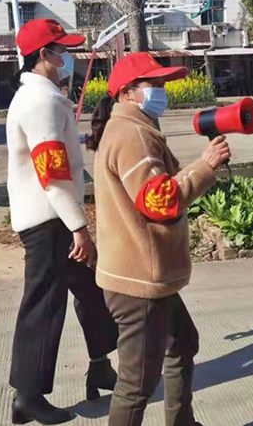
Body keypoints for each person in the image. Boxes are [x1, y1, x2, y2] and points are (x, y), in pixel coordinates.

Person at [86, 52, 230, 426]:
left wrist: (198, 168)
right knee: (136, 386)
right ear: (127, 92)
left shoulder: (131, 128)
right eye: (156, 84)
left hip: (138, 273)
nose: (163, 91)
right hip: (139, 281)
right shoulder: (133, 135)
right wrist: (205, 166)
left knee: (182, 343)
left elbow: (157, 188)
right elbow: (159, 202)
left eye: (164, 83)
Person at [6, 18, 119, 425]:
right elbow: (51, 175)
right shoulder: (43, 102)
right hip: (50, 220)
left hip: (53, 216)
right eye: (62, 50)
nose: (67, 56)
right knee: (43, 304)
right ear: (44, 55)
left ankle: (100, 364)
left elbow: (56, 155)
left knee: (91, 290)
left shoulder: (42, 97)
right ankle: (28, 396)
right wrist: (79, 228)